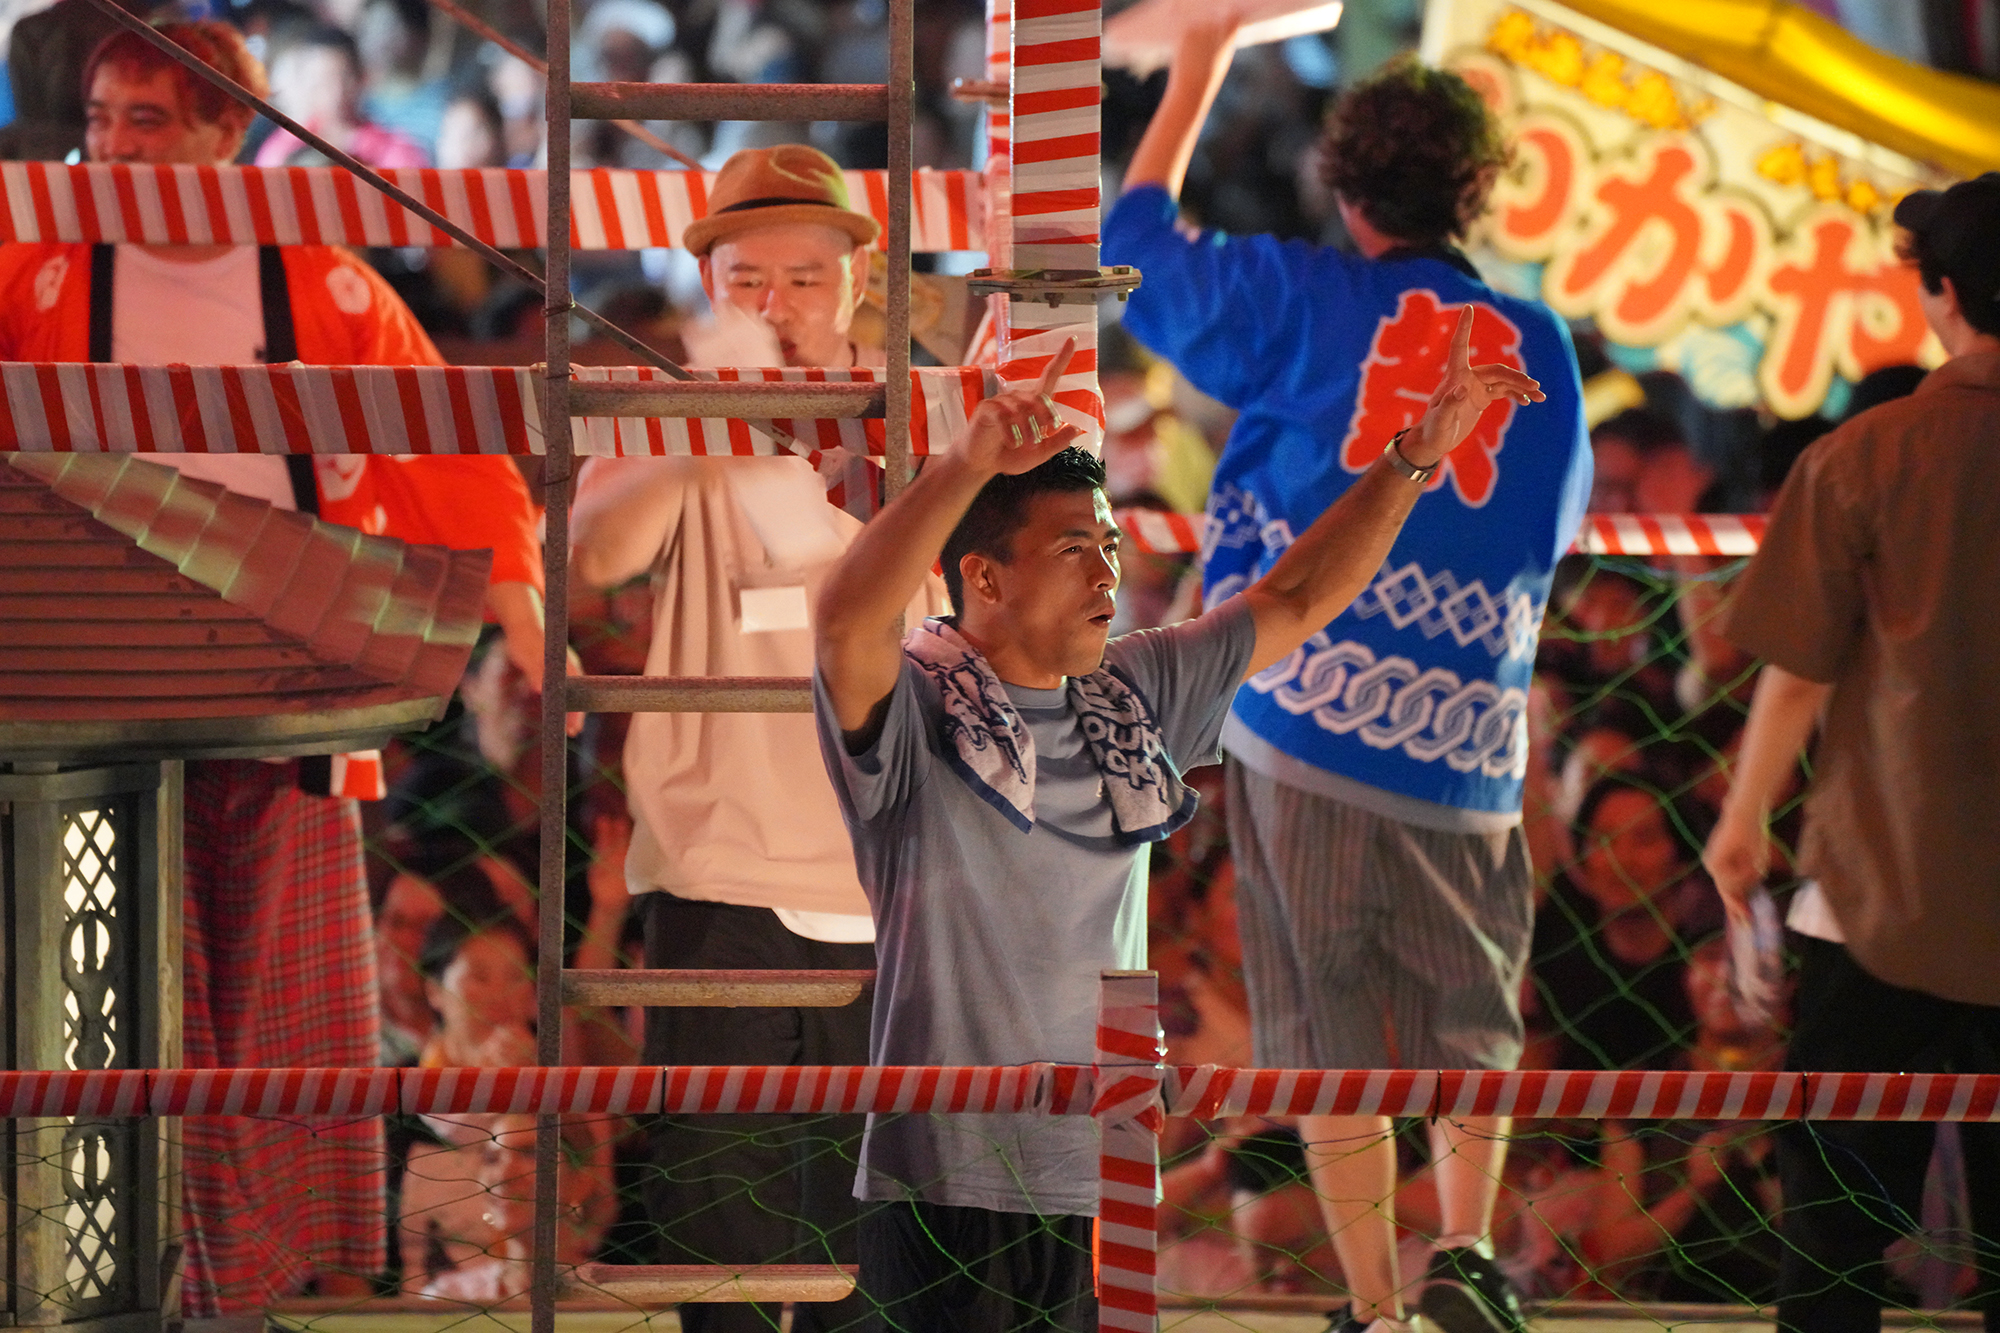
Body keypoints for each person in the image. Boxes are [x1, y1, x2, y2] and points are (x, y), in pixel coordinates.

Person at [812, 307, 1542, 1332]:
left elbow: (1296, 595)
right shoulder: (918, 709)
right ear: (983, 575)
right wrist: (964, 465)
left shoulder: (1133, 688)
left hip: (1105, 1167)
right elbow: (845, 622)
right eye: (1075, 548)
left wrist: (1412, 458)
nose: (1107, 574)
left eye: (1110, 546)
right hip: (943, 1173)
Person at [0, 20, 556, 1312]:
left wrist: (529, 625)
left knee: (268, 1001)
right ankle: (100, 1273)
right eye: (100, 119)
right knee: (96, 996)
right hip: (84, 691)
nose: (113, 147)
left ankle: (252, 1279)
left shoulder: (322, 283)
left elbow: (451, 450)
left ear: (226, 133)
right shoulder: (36, 268)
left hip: (284, 691)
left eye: (147, 121)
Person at [1100, 21, 1592, 1333]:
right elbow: (1551, 531)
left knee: (1324, 1021)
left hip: (1301, 709)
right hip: (1469, 730)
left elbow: (1132, 244)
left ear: (1343, 185)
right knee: (1468, 1005)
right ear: (1474, 192)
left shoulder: (1298, 296)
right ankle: (1468, 1252)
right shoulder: (1539, 344)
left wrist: (1199, 57)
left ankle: (1377, 1304)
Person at [568, 143, 930, 1333]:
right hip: (719, 868)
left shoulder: (926, 411)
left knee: (875, 1255)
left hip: (898, 874)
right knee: (717, 1241)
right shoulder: (674, 408)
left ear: (859, 278)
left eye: (804, 279)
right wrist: (708, 417)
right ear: (707, 288)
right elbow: (594, 555)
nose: (775, 305)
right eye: (745, 280)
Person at [1701, 173, 2000, 1333]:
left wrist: (1740, 822)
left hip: (1877, 892)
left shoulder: (1864, 454)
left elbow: (1795, 673)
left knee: (1832, 1223)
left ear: (1941, 293)